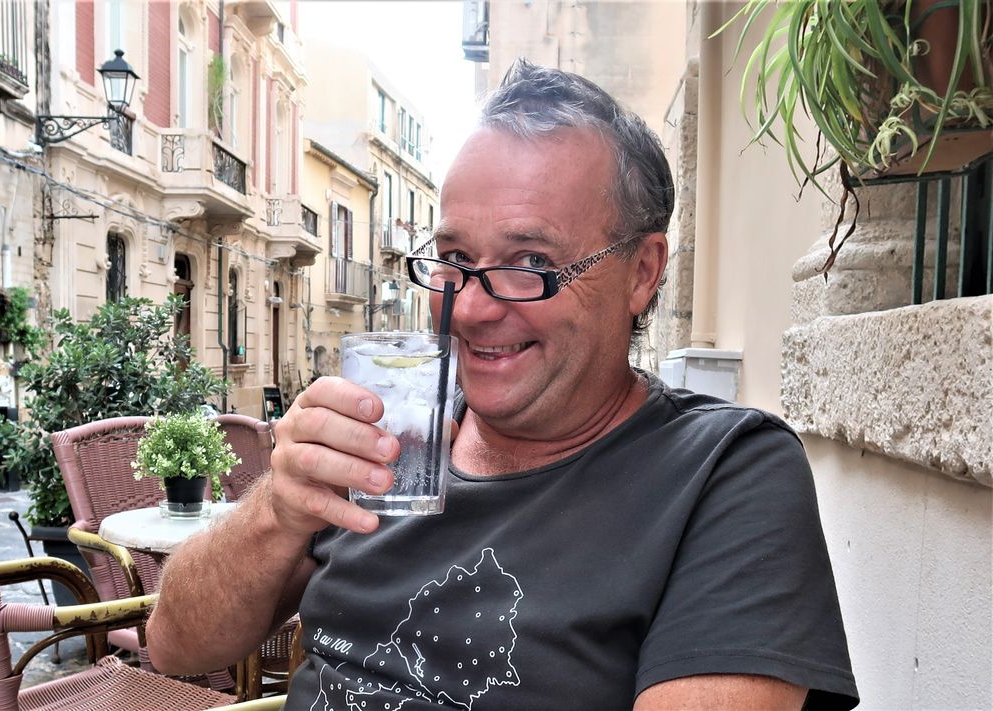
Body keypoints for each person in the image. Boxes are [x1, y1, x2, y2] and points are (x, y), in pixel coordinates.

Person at [146, 59, 859, 710]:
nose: (472, 308)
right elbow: (175, 645)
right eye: (455, 258)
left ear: (642, 272)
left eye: (530, 263)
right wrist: (279, 508)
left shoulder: (723, 472)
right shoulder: (391, 438)